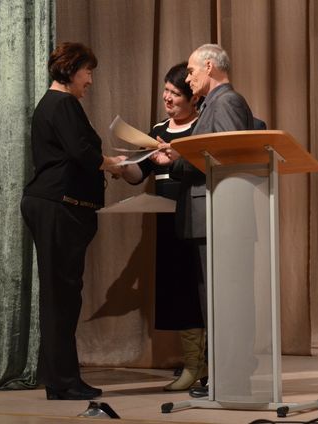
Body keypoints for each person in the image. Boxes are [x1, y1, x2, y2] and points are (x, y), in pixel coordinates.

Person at [20, 42, 125, 401]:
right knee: (60, 297)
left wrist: (106, 163)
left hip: (54, 207)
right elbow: (82, 152)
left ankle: (64, 379)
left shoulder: (53, 104)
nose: (90, 80)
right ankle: (62, 381)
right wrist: (113, 163)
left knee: (62, 295)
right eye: (87, 72)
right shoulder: (63, 103)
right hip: (58, 207)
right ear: (70, 69)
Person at [151, 44, 255, 398]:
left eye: (193, 71)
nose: (190, 78)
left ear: (209, 67)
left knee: (224, 302)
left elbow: (224, 157)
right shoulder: (215, 103)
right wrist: (178, 156)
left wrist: (177, 161)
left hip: (218, 217)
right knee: (215, 301)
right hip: (210, 216)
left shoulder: (226, 102)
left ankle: (230, 379)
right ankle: (224, 378)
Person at [120, 62, 206, 391]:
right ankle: (192, 363)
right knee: (178, 291)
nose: (167, 98)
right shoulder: (158, 129)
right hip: (167, 223)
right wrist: (123, 166)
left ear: (193, 98)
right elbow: (138, 174)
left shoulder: (203, 126)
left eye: (175, 94)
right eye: (166, 91)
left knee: (198, 290)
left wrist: (174, 159)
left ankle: (205, 363)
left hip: (197, 220)